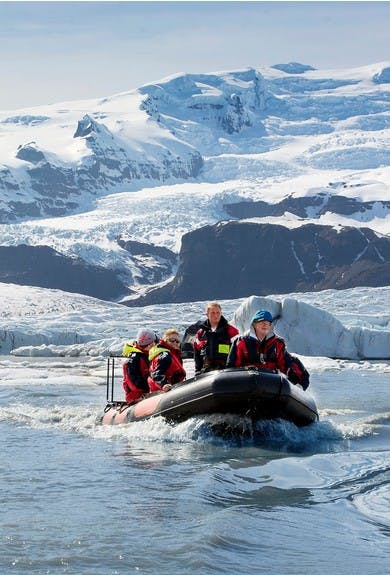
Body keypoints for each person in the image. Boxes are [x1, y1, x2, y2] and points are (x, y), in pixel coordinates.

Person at [226, 309, 310, 389]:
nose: (265, 324)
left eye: (268, 322)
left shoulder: (277, 344)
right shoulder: (241, 342)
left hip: (270, 384)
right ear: (254, 324)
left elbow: (286, 364)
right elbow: (232, 367)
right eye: (261, 321)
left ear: (270, 326)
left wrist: (298, 381)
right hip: (246, 382)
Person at [193, 302, 239, 375]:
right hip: (206, 372)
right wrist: (197, 370)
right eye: (213, 313)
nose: (216, 315)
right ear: (207, 314)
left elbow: (238, 351)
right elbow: (197, 354)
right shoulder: (201, 333)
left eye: (218, 312)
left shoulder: (231, 331)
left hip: (226, 371)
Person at [122, 328, 157, 404]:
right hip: (137, 398)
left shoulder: (149, 356)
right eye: (154, 343)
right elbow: (135, 386)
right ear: (150, 344)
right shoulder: (133, 360)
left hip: (152, 394)